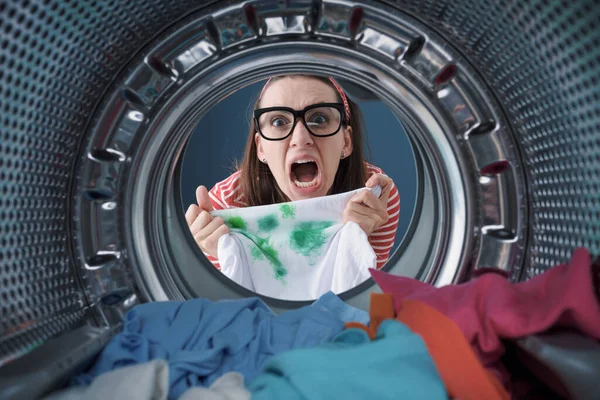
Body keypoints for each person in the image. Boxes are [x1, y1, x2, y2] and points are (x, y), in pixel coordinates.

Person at [186, 75, 400, 270]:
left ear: (345, 141)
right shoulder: (226, 204)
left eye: (319, 119)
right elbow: (238, 306)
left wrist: (359, 241)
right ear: (261, 148)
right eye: (279, 122)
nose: (300, 138)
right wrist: (216, 257)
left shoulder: (374, 196)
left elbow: (365, 296)